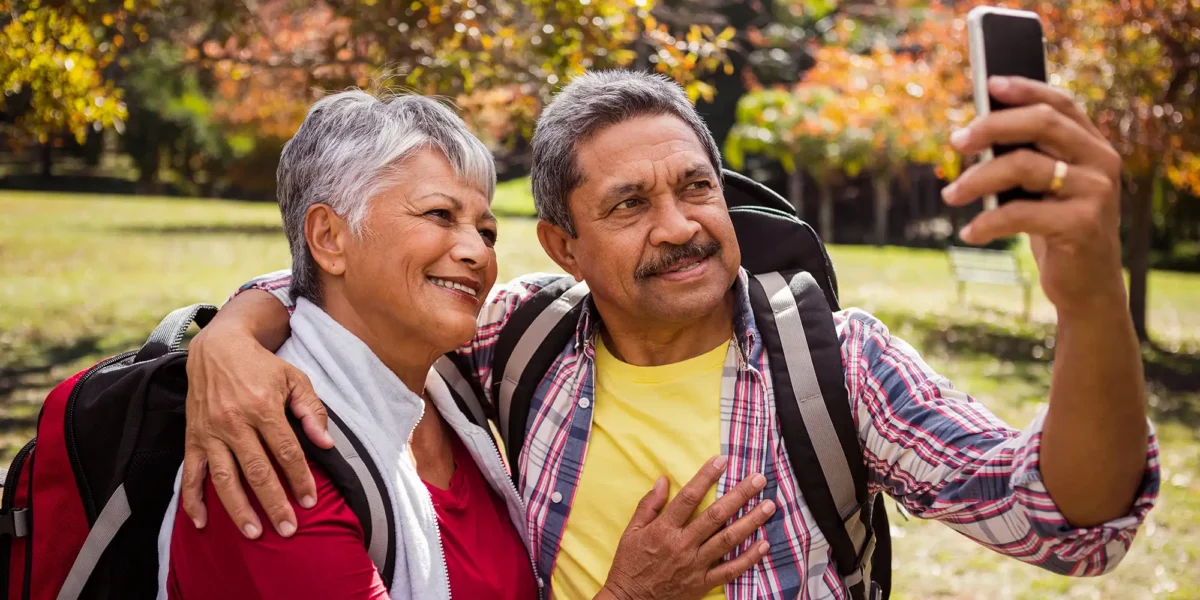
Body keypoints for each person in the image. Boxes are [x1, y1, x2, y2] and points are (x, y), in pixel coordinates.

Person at [182, 71, 1160, 599]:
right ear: (564, 245)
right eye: (631, 203)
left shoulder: (831, 366)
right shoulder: (518, 342)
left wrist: (1089, 306)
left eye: (696, 186)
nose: (683, 223)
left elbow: (1067, 518)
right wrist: (227, 336)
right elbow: (358, 294)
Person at [158, 89, 774, 600]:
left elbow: (304, 290)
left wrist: (234, 331)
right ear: (329, 236)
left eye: (485, 228)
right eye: (438, 216)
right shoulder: (272, 454)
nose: (477, 252)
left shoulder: (450, 384)